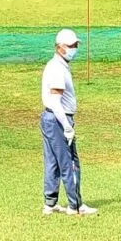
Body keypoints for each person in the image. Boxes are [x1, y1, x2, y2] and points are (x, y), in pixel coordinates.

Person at [40, 28, 98, 217]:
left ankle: (50, 204)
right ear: (60, 47)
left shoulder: (55, 65)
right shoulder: (57, 69)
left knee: (52, 162)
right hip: (59, 119)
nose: (75, 49)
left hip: (49, 119)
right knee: (70, 162)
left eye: (76, 45)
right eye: (72, 46)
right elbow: (56, 101)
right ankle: (75, 205)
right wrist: (67, 127)